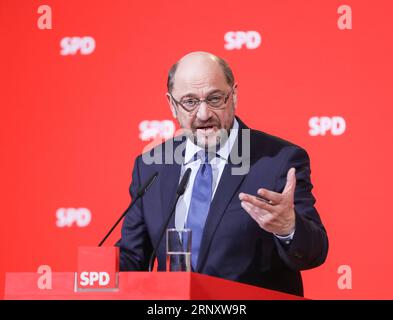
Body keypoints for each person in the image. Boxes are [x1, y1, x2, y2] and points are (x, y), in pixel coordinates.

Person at [117, 51, 328, 296]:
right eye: (190, 102)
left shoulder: (278, 160)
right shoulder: (151, 167)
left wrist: (288, 227)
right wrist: (92, 278)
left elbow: (314, 252)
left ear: (233, 96)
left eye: (215, 98)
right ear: (171, 105)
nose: (204, 114)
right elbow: (133, 257)